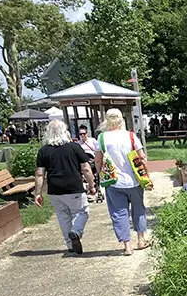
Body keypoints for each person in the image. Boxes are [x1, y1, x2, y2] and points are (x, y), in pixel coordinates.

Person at [35, 120, 96, 254]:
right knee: (81, 211)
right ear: (65, 131)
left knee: (63, 216)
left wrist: (37, 193)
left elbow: (40, 173)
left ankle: (70, 245)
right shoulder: (74, 147)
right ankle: (76, 232)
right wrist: (91, 185)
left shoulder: (43, 150)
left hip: (54, 190)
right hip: (73, 187)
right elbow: (86, 169)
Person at [95, 109, 150, 256]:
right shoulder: (131, 136)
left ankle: (127, 245)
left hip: (114, 181)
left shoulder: (101, 138)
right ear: (121, 119)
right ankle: (141, 239)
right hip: (134, 180)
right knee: (138, 209)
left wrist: (101, 175)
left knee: (119, 213)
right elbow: (142, 158)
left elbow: (98, 160)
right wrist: (147, 175)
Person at [77, 124, 104, 202]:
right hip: (83, 162)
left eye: (84, 134)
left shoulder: (92, 141)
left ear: (87, 133)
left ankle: (96, 188)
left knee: (92, 169)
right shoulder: (78, 144)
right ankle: (87, 188)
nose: (82, 135)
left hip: (92, 160)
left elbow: (98, 150)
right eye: (80, 134)